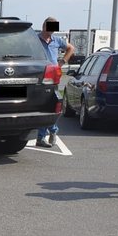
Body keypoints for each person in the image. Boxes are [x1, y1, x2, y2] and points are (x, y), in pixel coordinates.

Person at [35, 17, 75, 148]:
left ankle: (50, 132)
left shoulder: (57, 40)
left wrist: (62, 62)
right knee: (42, 106)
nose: (51, 29)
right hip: (39, 76)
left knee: (53, 104)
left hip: (53, 77)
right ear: (43, 25)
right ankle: (44, 135)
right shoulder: (35, 39)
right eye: (49, 26)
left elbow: (71, 48)